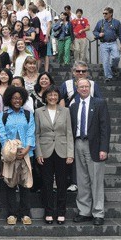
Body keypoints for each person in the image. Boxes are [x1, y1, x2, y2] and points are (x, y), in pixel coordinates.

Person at [70, 78, 111, 226]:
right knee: (82, 180)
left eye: (86, 86)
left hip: (94, 146)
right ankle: (84, 211)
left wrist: (104, 148)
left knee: (96, 181)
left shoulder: (99, 104)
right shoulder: (73, 107)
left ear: (90, 87)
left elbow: (105, 128)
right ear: (77, 88)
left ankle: (98, 212)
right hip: (78, 143)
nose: (84, 89)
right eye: (81, 87)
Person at [35, 88, 74, 224]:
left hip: (62, 150)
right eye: (50, 95)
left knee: (62, 182)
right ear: (45, 97)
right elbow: (37, 134)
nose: (52, 97)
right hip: (45, 151)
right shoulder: (39, 112)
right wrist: (38, 152)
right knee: (47, 183)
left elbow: (69, 132)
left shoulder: (66, 111)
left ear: (58, 97)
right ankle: (49, 211)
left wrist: (70, 153)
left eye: (55, 95)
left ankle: (61, 211)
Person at [0, 86, 35, 226]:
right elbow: (2, 135)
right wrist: (12, 151)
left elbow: (31, 131)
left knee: (25, 184)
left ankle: (25, 213)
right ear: (9, 99)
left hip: (26, 153)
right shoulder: (4, 115)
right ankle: (11, 214)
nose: (17, 100)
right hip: (10, 154)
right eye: (14, 98)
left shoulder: (28, 114)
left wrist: (26, 149)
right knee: (10, 183)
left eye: (19, 98)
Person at [93, 7, 121, 81]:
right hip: (103, 44)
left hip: (113, 43)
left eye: (106, 13)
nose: (104, 15)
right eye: (103, 13)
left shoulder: (116, 22)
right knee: (105, 61)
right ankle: (108, 76)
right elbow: (95, 31)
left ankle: (113, 68)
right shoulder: (100, 22)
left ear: (111, 14)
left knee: (116, 57)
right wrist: (98, 34)